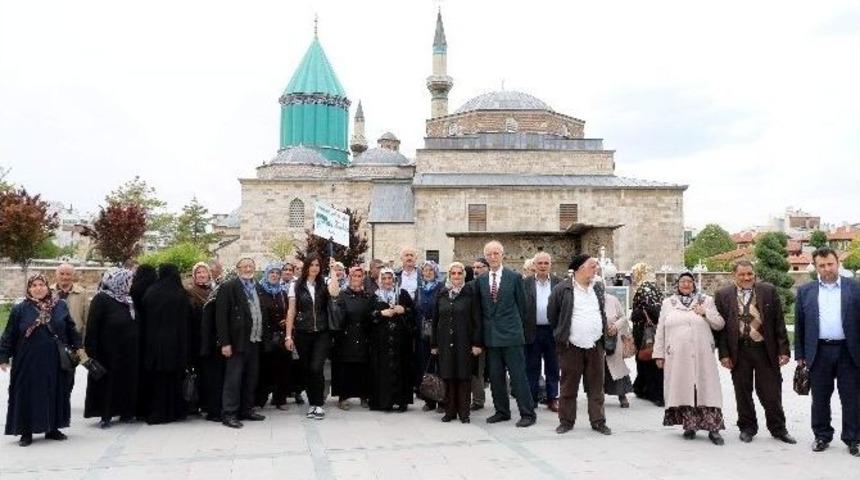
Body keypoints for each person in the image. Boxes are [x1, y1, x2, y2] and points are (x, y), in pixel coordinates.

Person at [715, 260, 795, 444]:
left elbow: (778, 322)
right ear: (734, 275)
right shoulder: (723, 295)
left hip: (764, 350)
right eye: (742, 274)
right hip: (739, 351)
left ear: (754, 274)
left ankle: (778, 429)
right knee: (742, 392)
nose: (746, 277)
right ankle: (747, 427)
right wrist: (724, 354)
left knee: (771, 392)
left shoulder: (768, 291)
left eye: (749, 273)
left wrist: (783, 350)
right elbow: (721, 330)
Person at [1, 274, 83, 447]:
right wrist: (3, 357)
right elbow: (9, 335)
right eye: (34, 285)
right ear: (29, 288)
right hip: (27, 361)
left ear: (47, 287)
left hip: (54, 360)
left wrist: (78, 346)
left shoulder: (60, 306)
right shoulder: (19, 309)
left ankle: (52, 428)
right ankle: (26, 432)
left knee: (54, 392)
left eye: (41, 285)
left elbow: (70, 328)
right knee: (27, 395)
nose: (38, 288)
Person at [795, 247, 860, 455]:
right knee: (820, 398)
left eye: (830, 264)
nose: (826, 269)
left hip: (848, 352)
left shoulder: (855, 288)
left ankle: (853, 439)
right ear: (815, 267)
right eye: (821, 265)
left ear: (837, 263)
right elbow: (800, 325)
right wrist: (801, 356)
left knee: (852, 398)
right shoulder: (806, 291)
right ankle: (822, 436)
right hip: (819, 351)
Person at [653, 272, 726, 445]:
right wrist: (659, 354)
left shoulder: (705, 301)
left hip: (702, 355)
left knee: (706, 389)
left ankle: (713, 429)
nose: (686, 284)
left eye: (689, 281)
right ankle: (689, 425)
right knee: (684, 388)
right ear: (677, 284)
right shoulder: (668, 303)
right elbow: (660, 331)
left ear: (694, 284)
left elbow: (720, 323)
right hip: (677, 355)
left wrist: (705, 312)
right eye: (682, 281)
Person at [548, 255, 612, 435]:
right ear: (579, 269)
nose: (596, 269)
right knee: (568, 386)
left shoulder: (598, 288)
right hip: (571, 347)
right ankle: (566, 421)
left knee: (596, 387)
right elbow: (552, 315)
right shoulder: (563, 289)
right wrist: (562, 335)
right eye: (592, 266)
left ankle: (598, 421)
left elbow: (601, 312)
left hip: (595, 346)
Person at [474, 241, 536, 427]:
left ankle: (527, 413)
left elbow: (523, 307)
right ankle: (502, 411)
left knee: (518, 376)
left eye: (496, 253)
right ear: (485, 257)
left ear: (502, 255)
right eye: (489, 254)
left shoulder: (514, 278)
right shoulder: (481, 281)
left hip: (512, 336)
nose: (493, 257)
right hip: (491, 337)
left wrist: (520, 332)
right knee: (495, 376)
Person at [83, 268, 140, 428]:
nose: (130, 284)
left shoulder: (128, 300)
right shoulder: (101, 299)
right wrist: (91, 350)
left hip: (128, 351)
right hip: (107, 352)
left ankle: (125, 411)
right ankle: (105, 414)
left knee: (126, 382)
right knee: (107, 383)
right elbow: (93, 326)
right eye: (128, 281)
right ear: (118, 282)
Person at [285, 254, 339, 420]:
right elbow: (291, 311)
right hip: (302, 332)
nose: (315, 267)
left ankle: (318, 404)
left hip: (322, 332)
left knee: (317, 367)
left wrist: (334, 271)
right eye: (312, 264)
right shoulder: (296, 285)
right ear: (307, 266)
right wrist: (288, 336)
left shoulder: (324, 283)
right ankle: (312, 404)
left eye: (317, 264)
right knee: (307, 369)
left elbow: (335, 292)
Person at [216, 258, 266, 428]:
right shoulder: (228, 287)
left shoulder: (258, 287)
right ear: (237, 269)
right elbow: (221, 317)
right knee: (233, 379)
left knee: (251, 378)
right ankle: (229, 414)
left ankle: (246, 409)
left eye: (251, 266)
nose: (248, 268)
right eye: (244, 266)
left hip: (254, 340)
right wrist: (225, 343)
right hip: (236, 342)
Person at [139, 264, 190, 425]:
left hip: (153, 343)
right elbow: (186, 322)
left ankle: (157, 412)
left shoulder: (151, 292)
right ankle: (174, 411)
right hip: (175, 343)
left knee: (157, 379)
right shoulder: (180, 293)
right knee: (173, 378)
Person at [431, 262, 482, 423]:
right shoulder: (442, 293)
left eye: (459, 273)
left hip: (464, 342)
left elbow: (477, 320)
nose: (456, 276)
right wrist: (434, 344)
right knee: (447, 376)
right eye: (453, 273)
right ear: (449, 275)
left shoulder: (470, 293)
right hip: (445, 342)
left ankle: (464, 413)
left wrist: (477, 344)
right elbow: (435, 320)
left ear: (464, 276)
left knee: (463, 377)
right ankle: (449, 411)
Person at [368, 268, 415, 411]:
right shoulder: (375, 296)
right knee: (382, 370)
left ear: (394, 279)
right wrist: (381, 313)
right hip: (381, 342)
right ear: (380, 280)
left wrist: (404, 310)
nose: (387, 281)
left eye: (390, 278)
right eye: (384, 279)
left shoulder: (402, 294)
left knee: (401, 368)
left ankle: (401, 402)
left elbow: (413, 313)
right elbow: (368, 317)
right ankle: (384, 402)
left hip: (401, 341)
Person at [331, 266, 374, 410]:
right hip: (346, 336)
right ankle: (343, 396)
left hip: (363, 335)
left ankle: (364, 395)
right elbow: (337, 315)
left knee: (363, 366)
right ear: (350, 277)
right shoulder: (343, 295)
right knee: (345, 367)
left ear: (363, 278)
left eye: (359, 276)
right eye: (354, 276)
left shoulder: (368, 296)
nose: (356, 278)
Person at [524, 252, 561, 411]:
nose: (543, 266)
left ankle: (552, 398)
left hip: (553, 332)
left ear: (550, 265)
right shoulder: (525, 283)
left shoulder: (559, 283)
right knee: (532, 367)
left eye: (546, 263)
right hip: (532, 331)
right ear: (534, 265)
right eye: (540, 263)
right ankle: (532, 399)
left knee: (553, 367)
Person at [255, 262, 291, 410]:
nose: (275, 275)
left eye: (277, 273)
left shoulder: (283, 293)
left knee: (282, 369)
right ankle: (259, 399)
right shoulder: (259, 291)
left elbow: (289, 311)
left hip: (281, 336)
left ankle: (280, 399)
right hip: (264, 336)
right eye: (272, 273)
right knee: (263, 369)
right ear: (266, 274)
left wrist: (286, 321)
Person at [630, 262, 665, 406]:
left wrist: (635, 315)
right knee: (649, 360)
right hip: (654, 329)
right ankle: (641, 388)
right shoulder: (655, 287)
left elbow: (650, 310)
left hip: (646, 331)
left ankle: (654, 393)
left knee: (646, 359)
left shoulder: (644, 288)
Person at [414, 260, 442, 412]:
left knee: (440, 366)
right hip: (423, 334)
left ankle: (442, 400)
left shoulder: (441, 288)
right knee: (426, 366)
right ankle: (429, 400)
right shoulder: (419, 290)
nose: (428, 272)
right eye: (425, 270)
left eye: (431, 270)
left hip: (438, 332)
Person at [602, 282, 633, 408]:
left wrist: (615, 326)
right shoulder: (587, 301)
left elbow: (623, 318)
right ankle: (597, 397)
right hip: (594, 341)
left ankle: (622, 395)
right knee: (596, 370)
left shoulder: (612, 300)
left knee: (617, 368)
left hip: (612, 341)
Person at [469, 257, 490, 411]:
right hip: (476, 334)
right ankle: (478, 400)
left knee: (497, 369)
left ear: (487, 268)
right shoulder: (470, 286)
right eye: (474, 267)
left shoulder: (495, 285)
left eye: (480, 267)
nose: (476, 270)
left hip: (495, 333)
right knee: (477, 368)